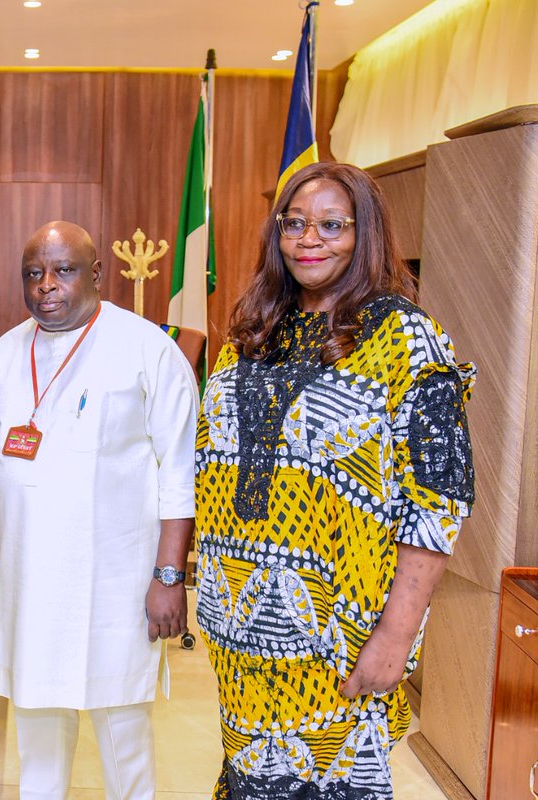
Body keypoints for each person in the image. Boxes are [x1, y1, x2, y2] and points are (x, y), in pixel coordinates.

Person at [194, 162, 475, 798]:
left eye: (330, 225)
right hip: (240, 629)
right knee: (250, 782)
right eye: (294, 224)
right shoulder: (254, 333)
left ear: (365, 234)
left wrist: (396, 637)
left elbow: (441, 503)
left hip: (337, 636)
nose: (309, 239)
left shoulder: (407, 340)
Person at [0, 221, 198, 800]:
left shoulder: (148, 350)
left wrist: (170, 577)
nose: (46, 285)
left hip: (116, 583)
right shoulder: (3, 353)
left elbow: (179, 473)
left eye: (63, 270)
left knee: (122, 729)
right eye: (33, 273)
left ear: (97, 274)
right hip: (29, 577)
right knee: (38, 729)